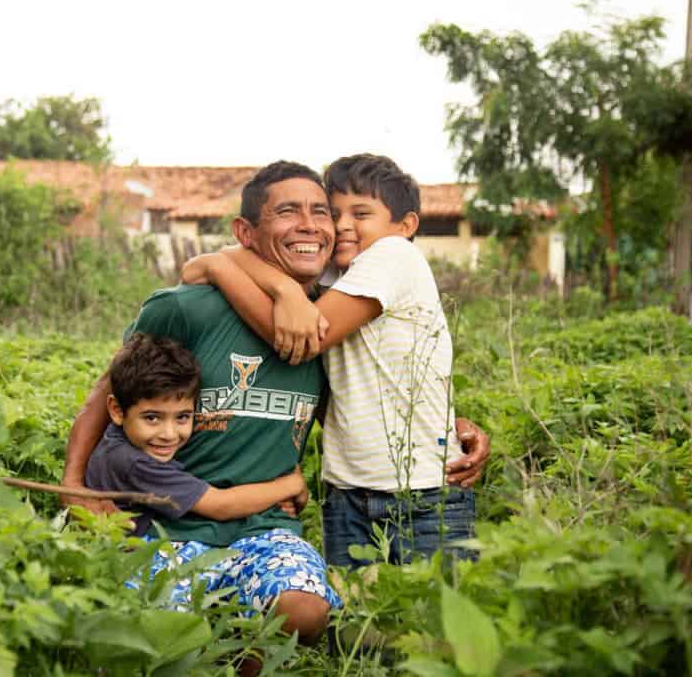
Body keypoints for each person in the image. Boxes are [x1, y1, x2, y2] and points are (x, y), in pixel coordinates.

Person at [61, 160, 489, 645]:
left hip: (268, 524)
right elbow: (108, 392)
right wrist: (74, 483)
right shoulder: (187, 307)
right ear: (247, 232)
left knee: (341, 620)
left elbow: (372, 385)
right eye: (289, 211)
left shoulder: (329, 320)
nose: (316, 224)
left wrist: (446, 420)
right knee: (137, 635)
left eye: (321, 212)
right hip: (168, 524)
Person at [181, 153, 478, 569]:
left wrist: (220, 265)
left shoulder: (394, 255)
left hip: (423, 494)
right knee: (357, 630)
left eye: (361, 213)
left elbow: (303, 338)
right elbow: (196, 270)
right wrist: (264, 281)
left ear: (405, 226)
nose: (341, 226)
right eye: (334, 213)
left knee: (434, 626)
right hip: (347, 495)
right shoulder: (336, 279)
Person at [85, 332, 308, 537]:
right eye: (152, 418)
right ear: (117, 410)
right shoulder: (133, 462)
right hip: (125, 562)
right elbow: (220, 506)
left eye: (182, 417)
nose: (169, 434)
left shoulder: (119, 440)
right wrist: (289, 485)